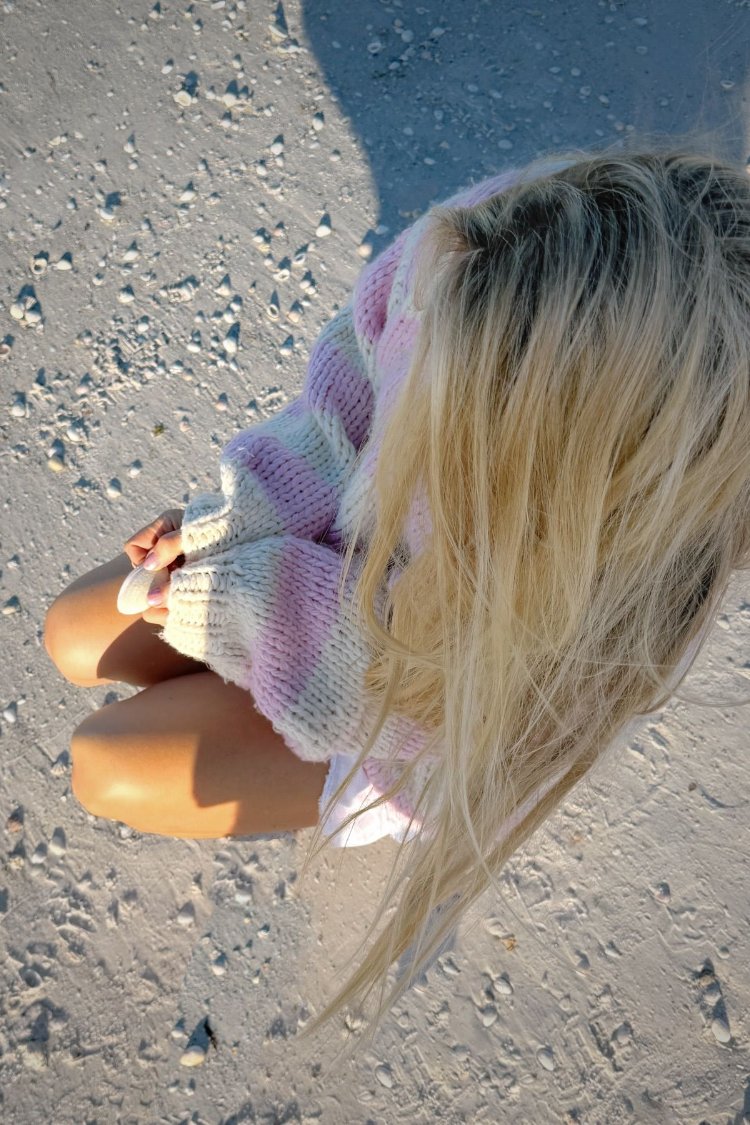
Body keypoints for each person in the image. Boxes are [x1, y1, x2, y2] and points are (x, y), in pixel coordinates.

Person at [44, 131, 750, 1049]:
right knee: (74, 633)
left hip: (400, 709)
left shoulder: (620, 581)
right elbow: (343, 390)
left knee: (107, 762)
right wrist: (238, 518)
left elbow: (410, 689)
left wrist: (238, 600)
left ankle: (289, 744)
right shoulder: (492, 243)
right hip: (352, 558)